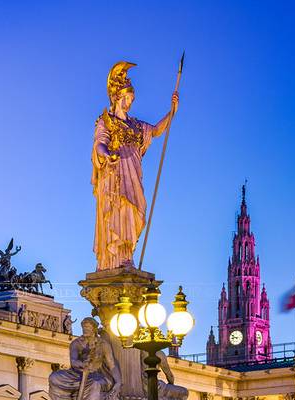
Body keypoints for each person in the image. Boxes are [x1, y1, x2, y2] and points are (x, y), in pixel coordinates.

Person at [92, 61, 179, 270]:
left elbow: (157, 130)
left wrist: (172, 111)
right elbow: (99, 144)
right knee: (118, 211)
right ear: (117, 97)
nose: (129, 102)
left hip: (133, 172)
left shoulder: (136, 125)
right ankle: (115, 259)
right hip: (115, 175)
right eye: (127, 98)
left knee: (135, 209)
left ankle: (127, 253)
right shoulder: (107, 121)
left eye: (131, 99)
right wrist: (109, 155)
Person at [49, 318, 121, 400]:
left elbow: (112, 364)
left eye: (87, 327)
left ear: (94, 329)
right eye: (83, 327)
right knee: (54, 377)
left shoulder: (103, 345)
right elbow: (73, 361)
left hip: (96, 375)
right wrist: (82, 364)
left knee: (95, 384)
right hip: (77, 374)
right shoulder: (76, 343)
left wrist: (118, 382)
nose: (84, 329)